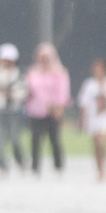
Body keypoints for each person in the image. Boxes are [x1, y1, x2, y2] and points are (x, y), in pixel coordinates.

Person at [25, 42, 71, 177]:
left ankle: (59, 166)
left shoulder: (59, 72)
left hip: (53, 110)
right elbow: (28, 88)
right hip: (35, 110)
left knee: (54, 139)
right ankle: (35, 168)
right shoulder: (33, 71)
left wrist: (60, 107)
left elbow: (63, 91)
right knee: (35, 140)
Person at [0, 43, 28, 176]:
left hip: (14, 110)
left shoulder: (19, 74)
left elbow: (23, 92)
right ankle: (1, 166)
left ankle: (21, 161)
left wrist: (10, 94)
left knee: (15, 138)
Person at [77, 58, 106, 182]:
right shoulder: (89, 84)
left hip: (105, 118)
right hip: (93, 119)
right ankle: (100, 169)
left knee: (100, 141)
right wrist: (83, 120)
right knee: (97, 146)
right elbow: (84, 103)